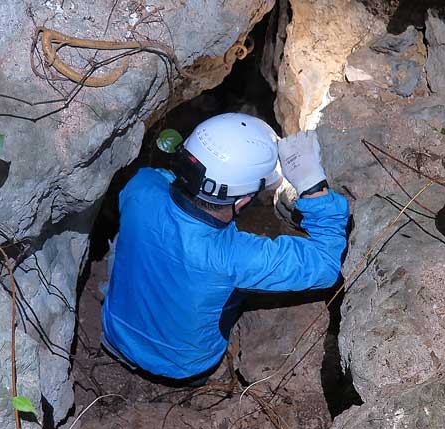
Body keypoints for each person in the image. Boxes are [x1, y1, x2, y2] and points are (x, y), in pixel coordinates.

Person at [100, 112, 349, 386]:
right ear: (242, 202)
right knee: (237, 289)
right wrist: (312, 184)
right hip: (184, 367)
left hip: (114, 334)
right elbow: (326, 264)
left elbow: (162, 180)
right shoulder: (235, 257)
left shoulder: (141, 186)